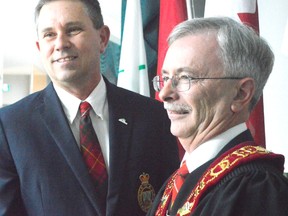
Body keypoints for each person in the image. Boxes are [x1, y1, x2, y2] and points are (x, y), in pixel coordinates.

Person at [0, 0, 180, 215]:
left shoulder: (153, 117)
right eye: (49, 34)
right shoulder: (10, 126)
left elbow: (168, 203)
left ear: (102, 38)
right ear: (40, 48)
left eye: (73, 29)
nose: (60, 43)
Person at [147, 17, 288, 216]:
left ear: (241, 94)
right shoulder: (176, 182)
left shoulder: (255, 188)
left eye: (185, 78)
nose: (164, 94)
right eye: (166, 78)